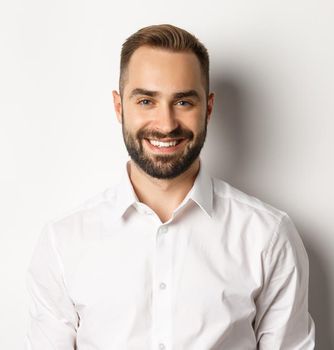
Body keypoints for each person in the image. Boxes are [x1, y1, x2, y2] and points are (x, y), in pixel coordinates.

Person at [25, 24, 315, 349]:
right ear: (119, 107)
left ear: (208, 107)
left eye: (183, 102)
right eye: (147, 101)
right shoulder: (63, 242)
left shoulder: (267, 236)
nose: (166, 124)